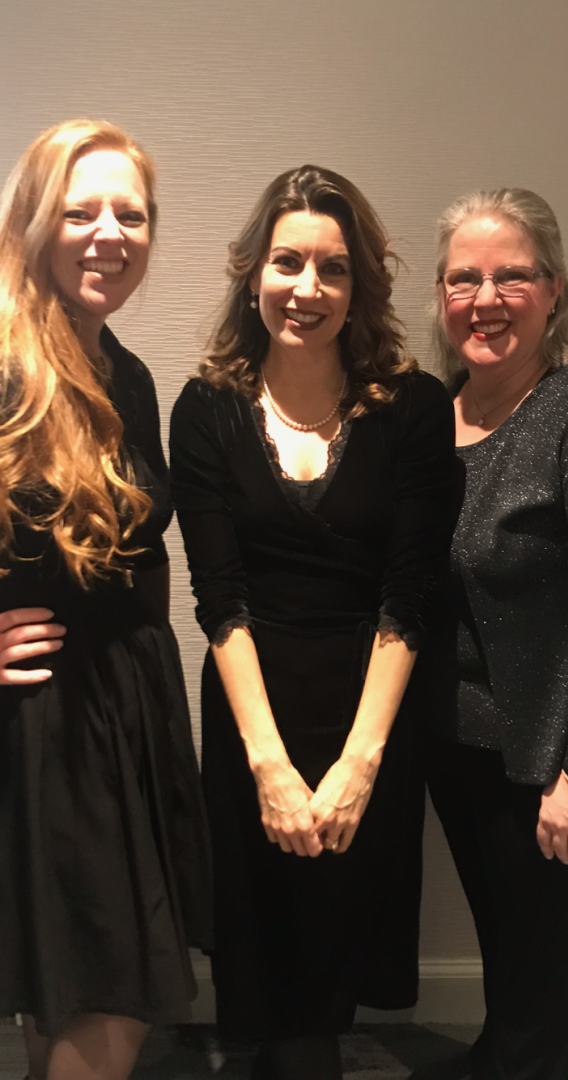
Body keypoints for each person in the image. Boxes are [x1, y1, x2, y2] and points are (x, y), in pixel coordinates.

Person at [170, 164, 460, 1080]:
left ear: (359, 284)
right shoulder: (206, 408)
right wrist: (268, 767)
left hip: (369, 715)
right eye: (287, 263)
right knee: (268, 970)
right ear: (251, 271)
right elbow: (218, 598)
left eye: (331, 269)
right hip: (254, 714)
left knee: (332, 963)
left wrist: (358, 765)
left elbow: (408, 594)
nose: (307, 289)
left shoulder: (412, 409)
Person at [0, 120, 212, 1080]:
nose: (108, 232)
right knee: (103, 1006)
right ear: (34, 222)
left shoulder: (120, 367)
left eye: (130, 212)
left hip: (122, 715)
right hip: (48, 729)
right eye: (80, 209)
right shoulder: (5, 364)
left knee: (76, 1000)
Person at [416, 187, 568, 1080]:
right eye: (464, 279)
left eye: (511, 277)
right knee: (512, 972)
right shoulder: (427, 417)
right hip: (459, 756)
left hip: (552, 768)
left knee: (544, 1002)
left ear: (554, 292)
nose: (484, 299)